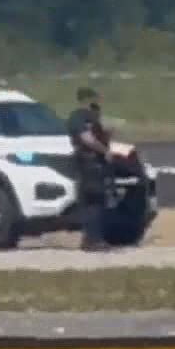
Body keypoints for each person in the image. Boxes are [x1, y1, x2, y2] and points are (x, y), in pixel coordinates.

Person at [66, 86, 113, 250]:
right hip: (88, 162)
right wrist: (104, 150)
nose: (97, 102)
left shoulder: (90, 117)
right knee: (93, 201)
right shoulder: (79, 117)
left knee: (95, 201)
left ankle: (93, 238)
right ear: (86, 99)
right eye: (94, 98)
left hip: (93, 162)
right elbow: (87, 139)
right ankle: (93, 240)